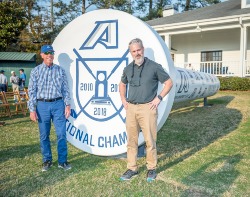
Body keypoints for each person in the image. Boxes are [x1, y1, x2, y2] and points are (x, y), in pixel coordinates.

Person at [119, 38, 173, 182]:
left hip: (147, 108)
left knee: (150, 140)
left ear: (143, 49)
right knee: (131, 141)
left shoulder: (154, 67)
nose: (137, 53)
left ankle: (151, 168)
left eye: (139, 50)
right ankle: (132, 168)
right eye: (134, 51)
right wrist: (123, 100)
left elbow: (168, 83)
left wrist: (159, 98)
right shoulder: (128, 68)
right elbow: (122, 84)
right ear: (130, 53)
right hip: (131, 108)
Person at [28, 44, 72, 172]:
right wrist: (32, 109)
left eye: (51, 53)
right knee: (44, 135)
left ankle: (62, 161)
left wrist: (67, 105)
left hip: (58, 105)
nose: (49, 55)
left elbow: (65, 90)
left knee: (61, 134)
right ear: (42, 55)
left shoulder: (60, 70)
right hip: (42, 106)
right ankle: (47, 160)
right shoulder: (35, 71)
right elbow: (31, 91)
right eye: (47, 53)